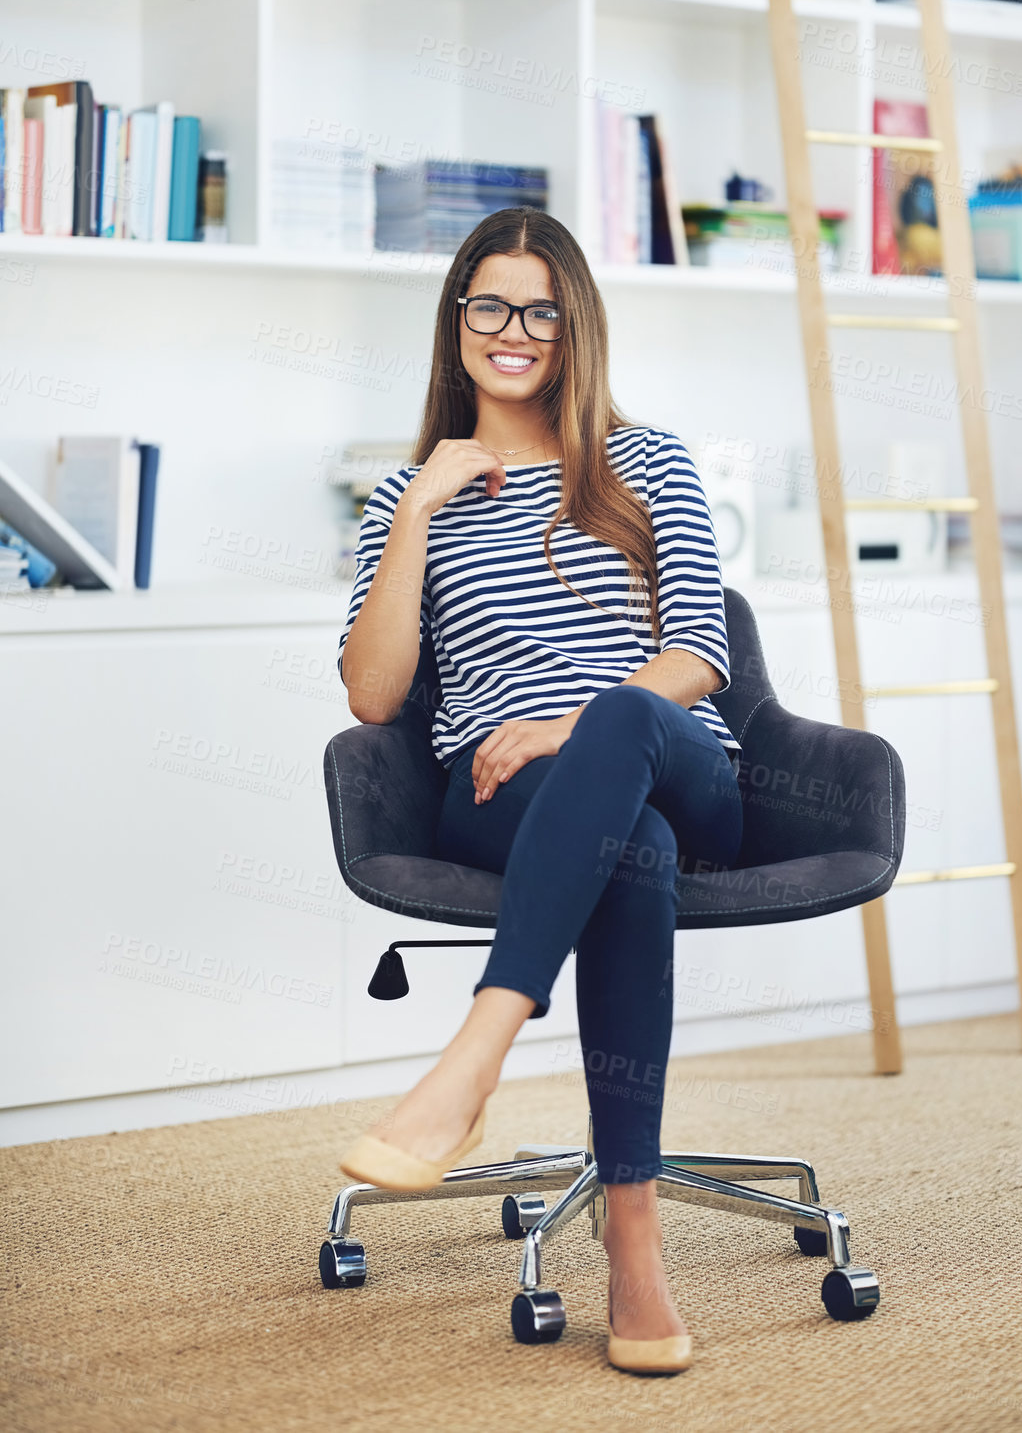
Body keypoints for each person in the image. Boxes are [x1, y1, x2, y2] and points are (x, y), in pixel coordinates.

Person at [337, 208, 746, 1375]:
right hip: (502, 797)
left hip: (679, 758)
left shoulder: (647, 459)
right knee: (635, 854)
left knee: (626, 727)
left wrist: (565, 724)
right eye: (490, 306)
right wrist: (419, 508)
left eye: (540, 311)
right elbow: (373, 697)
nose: (513, 331)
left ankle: (475, 1052)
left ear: (575, 329)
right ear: (456, 320)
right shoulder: (404, 497)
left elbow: (698, 654)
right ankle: (633, 1245)